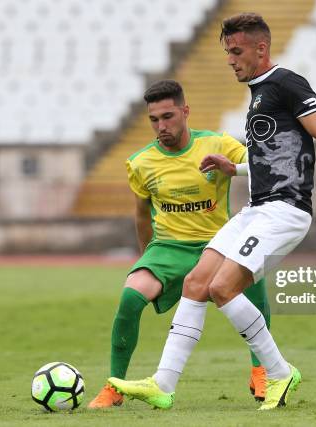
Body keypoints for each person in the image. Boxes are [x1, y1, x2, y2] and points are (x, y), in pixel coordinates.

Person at [108, 13, 316, 411]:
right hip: (256, 208)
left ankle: (279, 372)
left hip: (284, 211)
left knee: (221, 288)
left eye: (236, 51)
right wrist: (237, 168)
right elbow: (279, 153)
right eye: (227, 52)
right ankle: (163, 384)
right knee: (197, 284)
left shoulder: (287, 83)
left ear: (260, 48)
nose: (230, 60)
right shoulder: (258, 93)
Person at [88, 79, 272, 408]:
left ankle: (261, 370)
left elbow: (261, 167)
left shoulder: (217, 143)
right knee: (130, 296)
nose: (161, 126)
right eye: (154, 120)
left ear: (185, 112)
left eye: (168, 116)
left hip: (217, 243)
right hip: (168, 249)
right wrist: (147, 259)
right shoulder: (141, 163)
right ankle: (114, 386)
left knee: (254, 280)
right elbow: (142, 215)